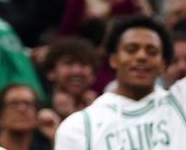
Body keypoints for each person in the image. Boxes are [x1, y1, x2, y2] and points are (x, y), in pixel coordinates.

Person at [55, 16, 186, 148]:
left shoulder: (181, 102)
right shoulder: (78, 127)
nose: (141, 56)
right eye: (131, 49)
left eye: (152, 52)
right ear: (113, 59)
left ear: (163, 64)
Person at [42, 37, 99, 120]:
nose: (76, 71)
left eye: (83, 63)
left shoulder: (103, 109)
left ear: (93, 75)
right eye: (68, 63)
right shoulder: (37, 109)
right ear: (51, 72)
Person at [0, 84, 58, 150]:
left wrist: (54, 139)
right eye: (14, 104)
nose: (22, 109)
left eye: (28, 103)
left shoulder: (45, 147)